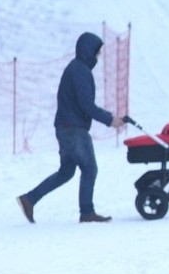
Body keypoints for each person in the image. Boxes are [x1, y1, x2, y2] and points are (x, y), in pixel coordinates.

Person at [16, 32, 124, 223]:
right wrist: (110, 120)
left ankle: (29, 199)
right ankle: (87, 212)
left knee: (66, 172)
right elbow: (86, 105)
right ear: (88, 51)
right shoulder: (80, 71)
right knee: (90, 168)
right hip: (74, 129)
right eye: (96, 53)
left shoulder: (77, 69)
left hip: (65, 127)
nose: (97, 57)